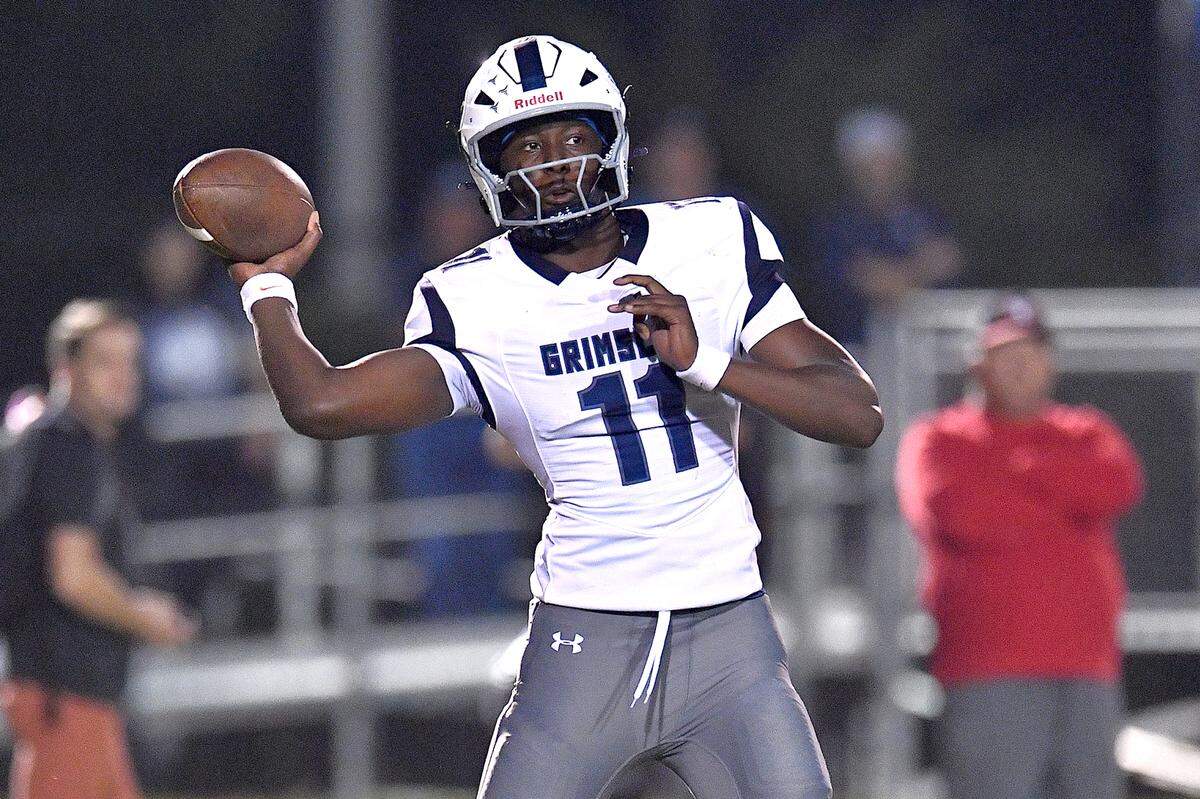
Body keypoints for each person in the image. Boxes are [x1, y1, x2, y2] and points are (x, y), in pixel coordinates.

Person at [226, 36, 881, 799]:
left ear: (612, 140)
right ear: (492, 171)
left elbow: (856, 411)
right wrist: (266, 290)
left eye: (574, 136)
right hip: (584, 637)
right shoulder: (474, 297)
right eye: (529, 145)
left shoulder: (708, 239)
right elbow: (321, 403)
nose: (556, 161)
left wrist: (710, 365)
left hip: (728, 634)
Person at [895, 293, 1143, 799]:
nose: (1021, 365)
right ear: (977, 362)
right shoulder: (938, 438)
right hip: (987, 671)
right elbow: (962, 516)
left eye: (1032, 351)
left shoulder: (1087, 430)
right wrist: (1054, 491)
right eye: (1006, 352)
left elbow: (1119, 486)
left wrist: (1012, 474)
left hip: (1087, 667)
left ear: (1051, 360)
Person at [1, 299, 196, 799]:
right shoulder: (67, 445)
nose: (123, 377)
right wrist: (144, 616)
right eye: (104, 362)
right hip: (65, 694)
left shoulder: (55, 440)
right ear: (66, 369)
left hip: (70, 695)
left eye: (130, 361)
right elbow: (74, 575)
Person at [807, 107, 962, 349]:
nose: (882, 173)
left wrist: (900, 276)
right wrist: (919, 270)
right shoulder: (837, 225)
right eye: (871, 165)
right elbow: (873, 282)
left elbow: (949, 262)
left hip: (926, 352)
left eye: (891, 162)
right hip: (855, 354)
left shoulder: (926, 215)